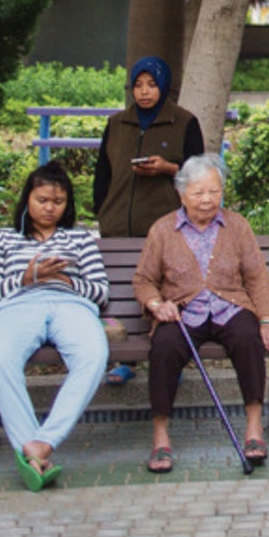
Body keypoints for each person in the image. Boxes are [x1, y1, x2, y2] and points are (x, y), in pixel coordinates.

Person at [134, 153, 269, 473]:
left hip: (230, 305)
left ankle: (254, 429)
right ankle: (161, 435)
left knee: (248, 337)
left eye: (214, 191)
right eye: (198, 192)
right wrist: (158, 305)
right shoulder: (162, 230)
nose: (206, 200)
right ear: (182, 193)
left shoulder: (237, 226)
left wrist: (266, 320)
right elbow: (144, 280)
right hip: (183, 310)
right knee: (164, 346)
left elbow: (256, 276)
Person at [0, 160, 109, 490]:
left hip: (70, 304)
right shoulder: (3, 238)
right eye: (42, 200)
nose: (50, 208)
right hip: (17, 304)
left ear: (68, 205)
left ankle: (43, 442)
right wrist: (27, 277)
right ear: (28, 200)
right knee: (3, 358)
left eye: (58, 202)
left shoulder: (79, 239)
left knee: (93, 356)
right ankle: (31, 450)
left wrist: (67, 281)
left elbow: (101, 291)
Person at [91, 55, 204, 383]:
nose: (144, 92)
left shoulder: (183, 122)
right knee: (122, 293)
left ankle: (169, 360)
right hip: (117, 227)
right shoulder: (116, 124)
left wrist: (168, 168)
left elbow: (200, 175)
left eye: (151, 85)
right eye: (138, 85)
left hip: (164, 227)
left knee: (165, 292)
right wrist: (103, 210)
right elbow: (103, 174)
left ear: (164, 87)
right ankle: (125, 361)